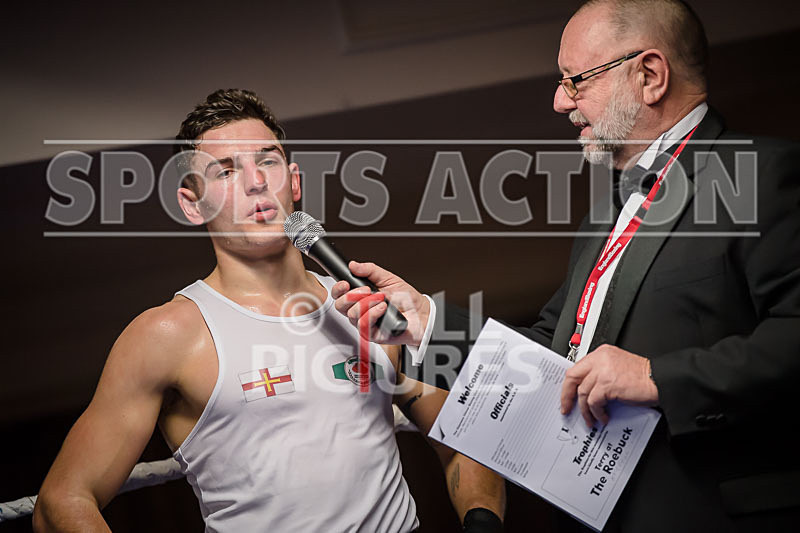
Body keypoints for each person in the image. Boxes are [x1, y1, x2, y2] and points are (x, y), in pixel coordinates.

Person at [332, 1, 800, 531]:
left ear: (649, 75)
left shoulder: (762, 175)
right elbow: (551, 356)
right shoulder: (605, 217)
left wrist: (656, 377)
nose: (560, 101)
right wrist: (426, 322)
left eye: (576, 80)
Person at [32, 89, 505, 532]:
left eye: (267, 162)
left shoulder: (369, 308)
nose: (256, 182)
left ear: (293, 182)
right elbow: (63, 500)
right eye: (225, 172)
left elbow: (466, 434)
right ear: (192, 205)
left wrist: (482, 523)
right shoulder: (169, 334)